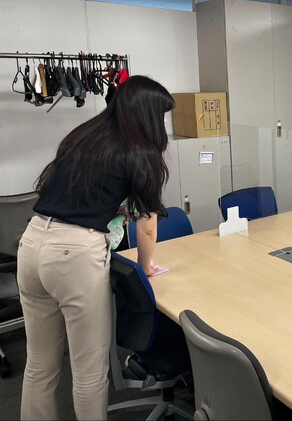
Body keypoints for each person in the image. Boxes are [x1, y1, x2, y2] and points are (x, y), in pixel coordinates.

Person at [16, 75, 174, 420]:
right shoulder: (141, 152)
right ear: (147, 114)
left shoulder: (84, 136)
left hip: (31, 242)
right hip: (73, 255)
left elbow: (80, 194)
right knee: (89, 370)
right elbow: (147, 226)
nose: (164, 124)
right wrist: (146, 267)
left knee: (39, 365)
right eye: (162, 115)